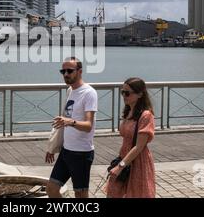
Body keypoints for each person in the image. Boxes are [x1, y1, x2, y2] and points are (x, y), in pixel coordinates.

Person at [45, 57, 98, 198]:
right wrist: (53, 147)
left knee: (80, 194)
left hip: (81, 154)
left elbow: (88, 125)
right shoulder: (70, 91)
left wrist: (70, 122)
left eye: (70, 71)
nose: (66, 74)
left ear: (80, 71)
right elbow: (63, 123)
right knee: (51, 189)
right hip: (66, 151)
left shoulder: (89, 93)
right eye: (63, 71)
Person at [105, 77, 155, 198]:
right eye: (122, 92)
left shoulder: (146, 115)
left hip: (138, 161)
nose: (124, 96)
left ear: (140, 94)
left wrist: (120, 166)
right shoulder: (128, 112)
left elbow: (139, 147)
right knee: (113, 193)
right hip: (124, 157)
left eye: (127, 93)